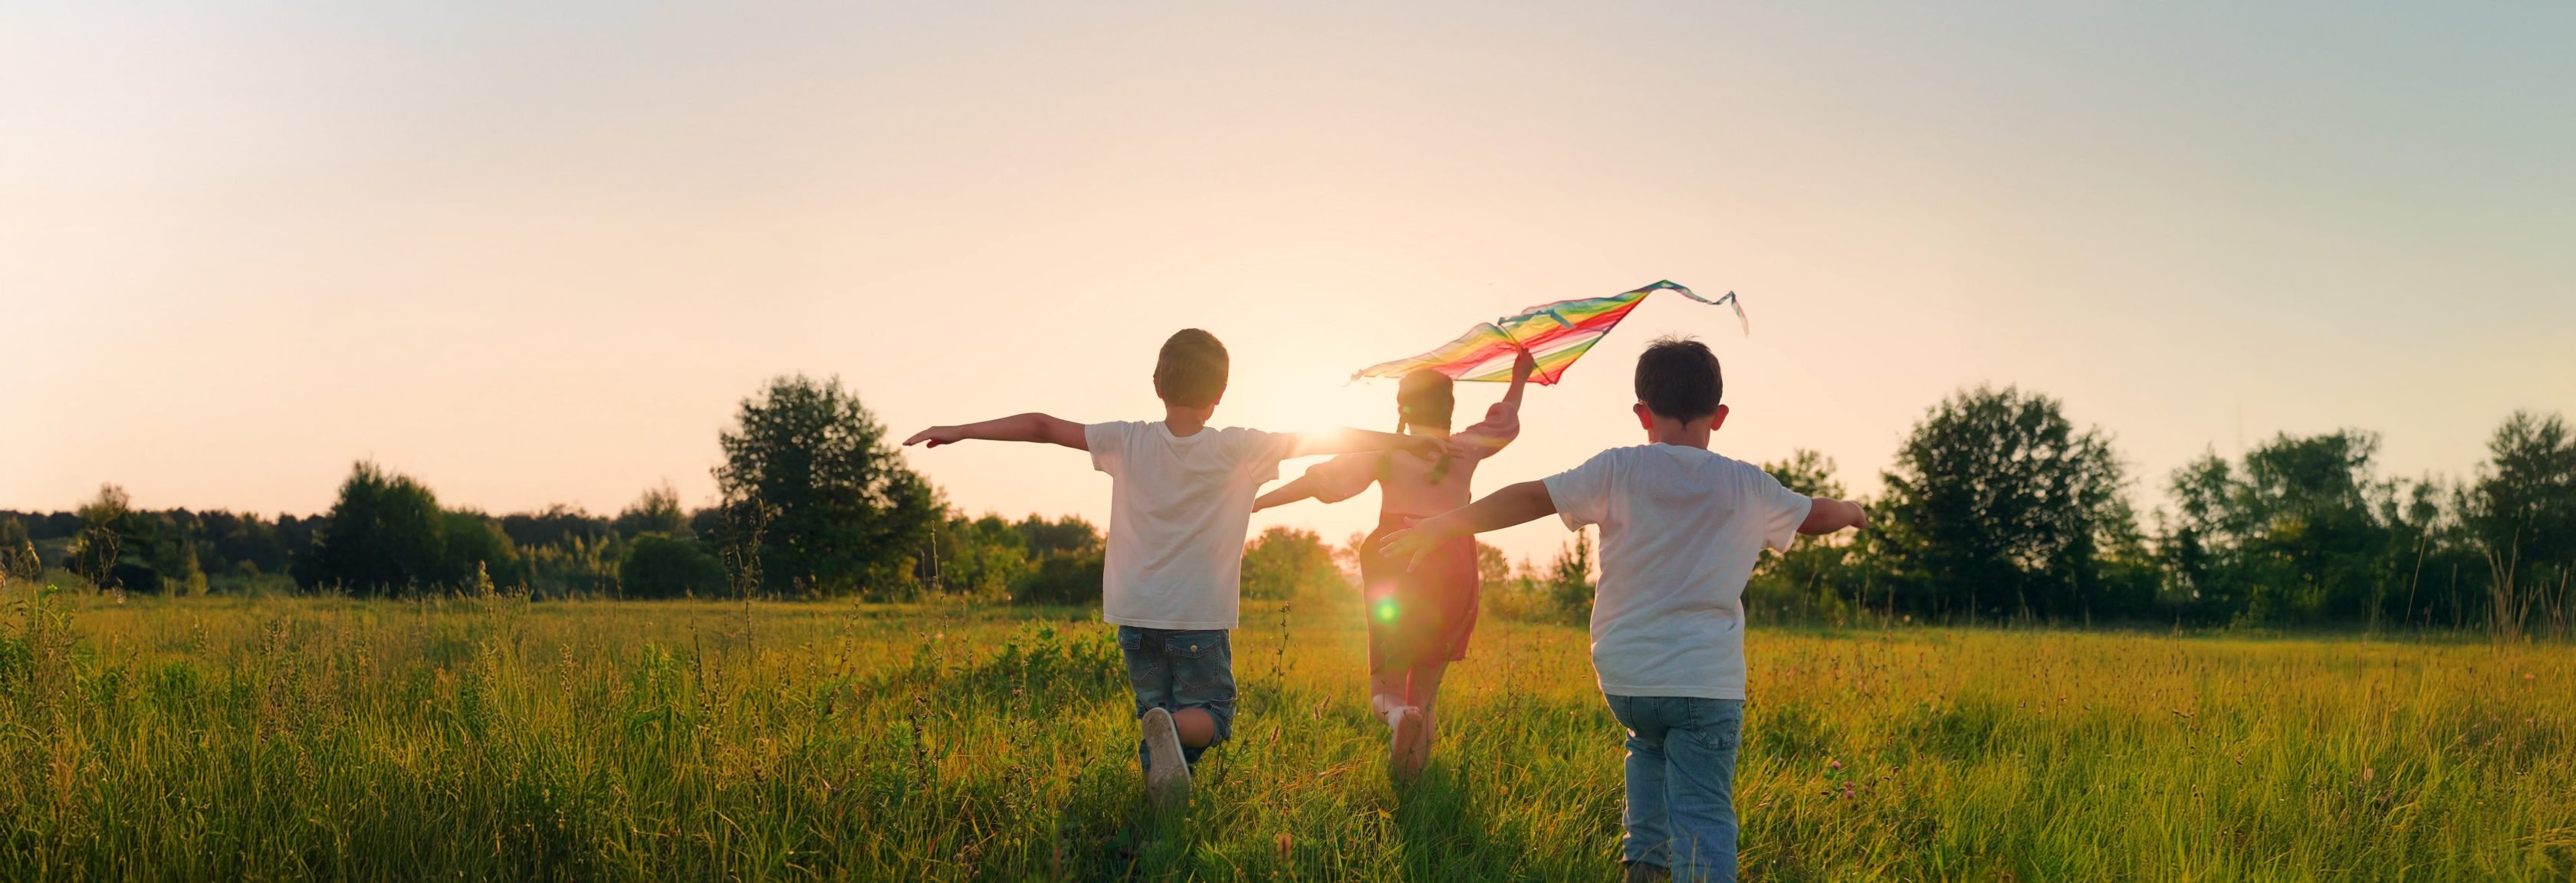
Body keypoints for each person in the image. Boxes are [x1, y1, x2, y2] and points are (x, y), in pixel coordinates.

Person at [1380, 336, 1866, 882]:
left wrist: (1442, 523)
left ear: (1642, 414)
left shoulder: (1617, 469)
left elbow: (1528, 497)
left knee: (1648, 750)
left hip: (1629, 681)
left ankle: (1644, 867)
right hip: (1707, 684)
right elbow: (1815, 515)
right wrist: (1852, 510)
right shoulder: (1747, 483)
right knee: (1703, 812)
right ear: (1720, 415)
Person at [903, 328, 1438, 812]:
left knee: (1156, 715)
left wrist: (961, 430)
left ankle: (1162, 802)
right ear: (1219, 395)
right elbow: (1336, 435)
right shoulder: (1241, 448)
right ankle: (1171, 735)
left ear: (1158, 383)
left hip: (1135, 615)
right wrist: (1407, 440)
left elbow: (1043, 425)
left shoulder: (1127, 440)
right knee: (1211, 717)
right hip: (1198, 619)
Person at [1253, 348, 1535, 780]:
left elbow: (1319, 481)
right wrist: (1519, 376)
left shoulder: (1386, 452)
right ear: (1450, 407)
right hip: (1451, 559)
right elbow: (1506, 420)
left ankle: (1397, 715)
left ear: (1401, 408)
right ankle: (1412, 776)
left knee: (1385, 687)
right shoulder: (1466, 447)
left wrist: (1254, 503)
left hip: (1393, 555)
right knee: (1427, 690)